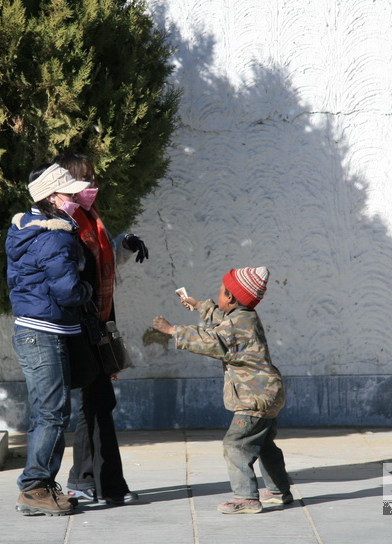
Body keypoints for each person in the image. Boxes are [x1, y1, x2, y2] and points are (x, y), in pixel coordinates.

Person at [151, 267, 293, 514]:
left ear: (232, 298)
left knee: (235, 444)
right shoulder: (246, 317)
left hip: (253, 398)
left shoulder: (235, 327)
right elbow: (224, 322)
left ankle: (246, 497)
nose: (217, 296)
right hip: (268, 393)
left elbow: (211, 341)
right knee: (264, 444)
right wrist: (199, 305)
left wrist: (173, 331)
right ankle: (279, 491)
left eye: (220, 293)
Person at [53, 152, 147, 506]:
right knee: (95, 403)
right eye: (86, 178)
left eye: (94, 178)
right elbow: (72, 274)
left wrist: (123, 243)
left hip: (101, 321)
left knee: (96, 404)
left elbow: (98, 263)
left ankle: (94, 481)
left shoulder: (90, 218)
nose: (93, 185)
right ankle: (97, 483)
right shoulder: (65, 222)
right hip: (81, 324)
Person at [6, 162, 94, 517]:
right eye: (71, 193)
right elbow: (69, 290)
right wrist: (88, 288)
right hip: (44, 333)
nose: (77, 197)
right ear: (53, 197)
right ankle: (34, 487)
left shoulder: (30, 229)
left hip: (37, 330)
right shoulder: (54, 235)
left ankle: (38, 486)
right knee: (53, 414)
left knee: (46, 413)